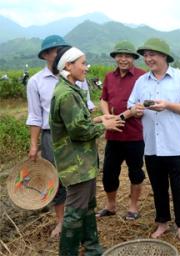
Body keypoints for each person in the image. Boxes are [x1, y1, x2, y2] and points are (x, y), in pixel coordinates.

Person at [49, 46, 124, 255]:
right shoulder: (66, 95)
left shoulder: (71, 89)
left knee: (87, 207)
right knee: (74, 212)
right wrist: (104, 126)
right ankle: (69, 252)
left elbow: (77, 122)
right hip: (76, 164)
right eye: (83, 63)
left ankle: (92, 248)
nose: (86, 68)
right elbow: (78, 131)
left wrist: (99, 118)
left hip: (84, 163)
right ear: (68, 65)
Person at [128, 38, 180, 245]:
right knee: (158, 187)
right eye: (146, 55)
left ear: (165, 56)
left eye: (153, 55)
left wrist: (167, 105)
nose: (148, 59)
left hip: (176, 144)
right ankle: (162, 223)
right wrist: (137, 111)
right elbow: (132, 106)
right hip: (152, 145)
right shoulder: (141, 82)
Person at [26, 35, 70, 238]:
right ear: (45, 55)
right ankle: (61, 221)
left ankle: (80, 217)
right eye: (54, 51)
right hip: (51, 136)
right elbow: (35, 116)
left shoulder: (75, 75)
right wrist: (34, 145)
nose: (59, 54)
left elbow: (87, 108)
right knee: (56, 179)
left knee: (80, 178)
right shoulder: (36, 81)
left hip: (75, 134)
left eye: (62, 50)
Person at [96, 41, 146, 220]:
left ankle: (133, 207)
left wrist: (120, 118)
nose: (123, 59)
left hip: (135, 134)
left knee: (135, 172)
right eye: (119, 55)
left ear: (133, 58)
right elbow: (103, 99)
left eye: (127, 56)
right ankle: (110, 206)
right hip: (113, 135)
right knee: (109, 172)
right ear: (115, 57)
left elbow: (140, 105)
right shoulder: (109, 77)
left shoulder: (142, 76)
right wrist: (106, 116)